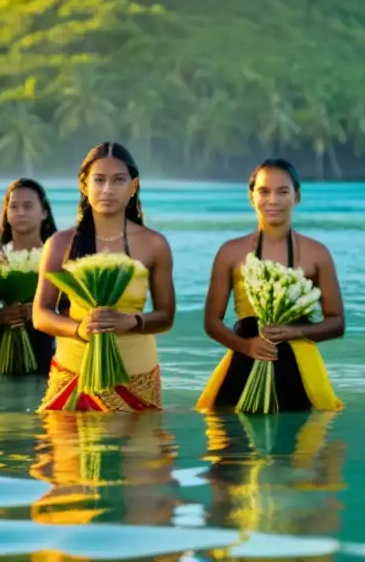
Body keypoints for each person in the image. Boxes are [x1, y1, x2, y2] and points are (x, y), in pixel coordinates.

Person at [32, 142, 176, 412]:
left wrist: (132, 321)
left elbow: (166, 316)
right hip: (73, 368)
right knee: (67, 453)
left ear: (133, 187)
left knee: (139, 452)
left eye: (118, 180)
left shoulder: (154, 244)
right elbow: (40, 315)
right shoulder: (60, 244)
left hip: (135, 372)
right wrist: (78, 328)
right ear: (84, 186)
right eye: (99, 180)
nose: (107, 189)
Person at [195, 158, 344, 413]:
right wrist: (246, 346)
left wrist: (294, 332)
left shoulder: (317, 253)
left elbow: (337, 323)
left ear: (296, 196)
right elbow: (212, 322)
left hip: (301, 363)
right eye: (263, 191)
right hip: (243, 359)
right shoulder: (230, 253)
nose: (272, 200)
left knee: (301, 446)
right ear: (251, 196)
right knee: (229, 445)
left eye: (282, 191)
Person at [0, 178, 57, 375]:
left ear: (44, 212)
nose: (20, 213)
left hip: (47, 355)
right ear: (7, 213)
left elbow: (70, 312)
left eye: (28, 206)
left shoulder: (57, 258)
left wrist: (37, 313)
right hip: (0, 356)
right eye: (14, 207)